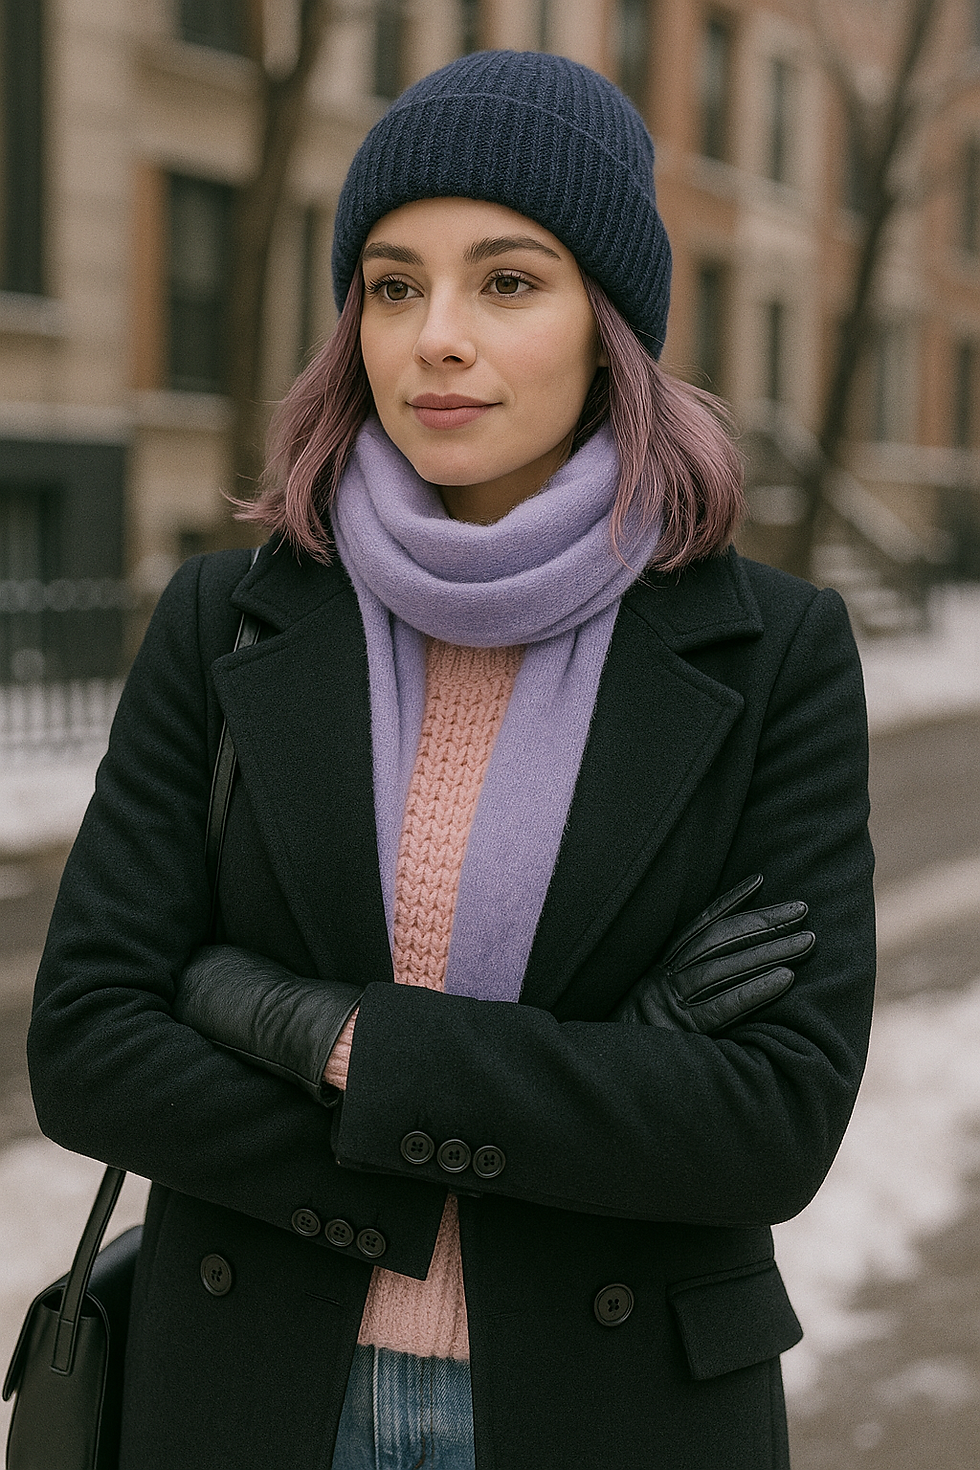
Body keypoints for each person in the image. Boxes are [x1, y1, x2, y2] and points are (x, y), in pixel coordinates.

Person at [28, 50, 875, 1470]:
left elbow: (772, 1122)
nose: (436, 336)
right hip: (246, 1391)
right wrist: (604, 1073)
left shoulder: (770, 650)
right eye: (393, 282)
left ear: (610, 327)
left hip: (616, 1412)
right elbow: (90, 1047)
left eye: (509, 281)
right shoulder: (226, 618)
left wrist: (341, 1040)